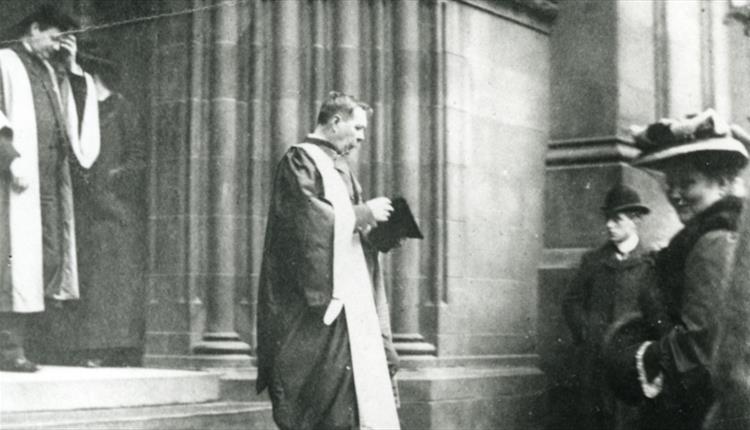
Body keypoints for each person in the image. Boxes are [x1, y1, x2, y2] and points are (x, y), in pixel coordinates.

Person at [256, 91, 401, 430]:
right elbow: (306, 221)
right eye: (358, 128)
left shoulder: (341, 168)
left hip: (351, 303)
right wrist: (363, 213)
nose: (362, 138)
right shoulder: (301, 160)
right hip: (318, 306)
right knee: (323, 403)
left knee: (354, 399)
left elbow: (348, 229)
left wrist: (378, 233)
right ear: (336, 122)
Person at [605, 109, 748, 430]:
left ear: (723, 183)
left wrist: (641, 358)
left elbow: (701, 345)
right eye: (671, 182)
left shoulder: (713, 241)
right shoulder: (716, 234)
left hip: (693, 408)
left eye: (689, 182)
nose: (675, 193)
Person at [33, 42, 147, 367]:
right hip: (86, 209)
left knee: (113, 280)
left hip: (114, 212)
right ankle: (84, 347)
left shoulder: (122, 108)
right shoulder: (84, 111)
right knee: (89, 280)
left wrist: (111, 180)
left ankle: (115, 348)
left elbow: (138, 158)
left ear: (93, 73)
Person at [0, 4, 99, 372]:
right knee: (13, 263)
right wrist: (10, 157)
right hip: (13, 181)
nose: (58, 46)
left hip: (50, 182)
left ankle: (35, 344)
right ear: (35, 28)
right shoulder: (5, 62)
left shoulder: (52, 69)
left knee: (50, 258)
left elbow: (76, 115)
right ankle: (9, 350)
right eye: (55, 37)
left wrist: (73, 70)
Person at [562, 183, 655, 430]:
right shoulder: (593, 261)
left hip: (632, 359)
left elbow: (659, 313)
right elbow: (571, 302)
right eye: (607, 219)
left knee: (630, 417)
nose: (609, 225)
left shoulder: (651, 262)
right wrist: (587, 331)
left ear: (635, 219)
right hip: (596, 359)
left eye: (617, 219)